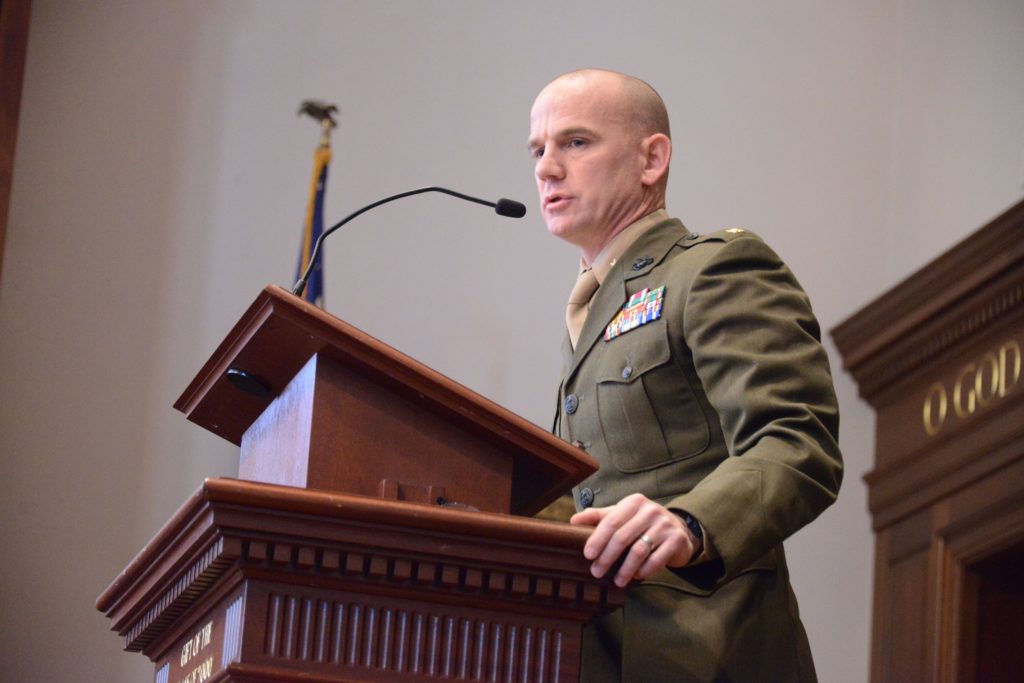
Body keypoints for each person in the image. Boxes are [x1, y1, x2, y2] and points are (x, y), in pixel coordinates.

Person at [529, 68, 843, 682]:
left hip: (710, 651)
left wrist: (692, 522)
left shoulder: (714, 271)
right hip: (597, 652)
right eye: (537, 150)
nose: (546, 168)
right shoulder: (592, 308)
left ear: (652, 159)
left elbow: (796, 440)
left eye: (575, 142)